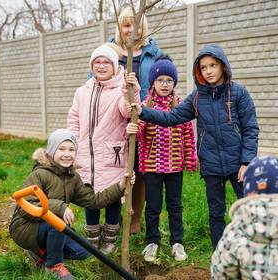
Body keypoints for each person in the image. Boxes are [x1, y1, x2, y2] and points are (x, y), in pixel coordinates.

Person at [129, 44, 259, 248]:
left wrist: (246, 161)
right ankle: (220, 250)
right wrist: (143, 112)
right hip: (212, 165)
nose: (208, 71)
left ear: (223, 66)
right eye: (204, 67)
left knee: (250, 204)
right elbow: (171, 117)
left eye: (213, 65)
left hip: (238, 164)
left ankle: (256, 245)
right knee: (216, 211)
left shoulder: (239, 93)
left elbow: (251, 128)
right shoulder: (197, 97)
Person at [9, 129, 134, 280]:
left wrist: (120, 187)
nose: (67, 153)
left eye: (71, 149)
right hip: (26, 227)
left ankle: (41, 253)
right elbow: (26, 205)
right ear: (50, 153)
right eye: (61, 149)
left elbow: (94, 202)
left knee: (85, 251)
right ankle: (53, 266)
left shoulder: (72, 177)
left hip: (52, 226)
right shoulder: (40, 174)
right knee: (58, 222)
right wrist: (60, 207)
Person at [66, 43, 140, 254]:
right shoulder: (82, 91)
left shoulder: (120, 89)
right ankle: (92, 239)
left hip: (111, 154)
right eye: (96, 62)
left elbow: (128, 111)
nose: (100, 66)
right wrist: (74, 142)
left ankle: (109, 239)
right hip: (86, 156)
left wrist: (130, 91)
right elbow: (73, 117)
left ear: (115, 66)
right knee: (90, 197)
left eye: (106, 62)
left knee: (113, 197)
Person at [126, 57, 197, 262]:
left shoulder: (181, 105)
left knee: (175, 205)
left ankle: (177, 241)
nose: (165, 85)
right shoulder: (144, 105)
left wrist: (190, 158)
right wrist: (135, 126)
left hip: (175, 166)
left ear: (174, 83)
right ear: (153, 83)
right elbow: (138, 135)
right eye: (160, 80)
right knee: (153, 206)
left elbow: (188, 135)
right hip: (152, 166)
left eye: (169, 80)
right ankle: (152, 241)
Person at [111, 6, 164, 234]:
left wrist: (146, 110)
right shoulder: (109, 53)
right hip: (113, 118)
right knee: (114, 168)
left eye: (134, 24)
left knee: (140, 170)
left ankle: (134, 220)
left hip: (144, 118)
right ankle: (111, 221)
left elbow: (163, 85)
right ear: (119, 27)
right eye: (125, 25)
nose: (130, 30)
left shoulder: (154, 54)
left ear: (142, 26)